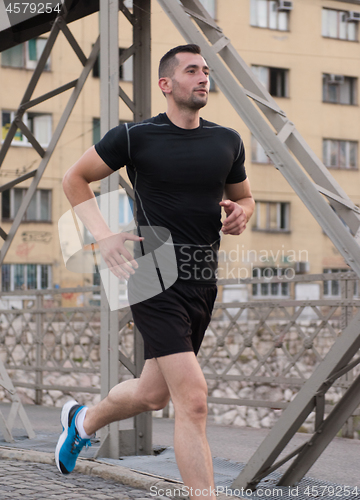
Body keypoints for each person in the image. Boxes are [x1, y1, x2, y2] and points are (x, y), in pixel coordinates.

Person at [55, 44, 254, 499]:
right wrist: (104, 235)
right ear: (166, 84)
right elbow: (74, 178)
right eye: (192, 71)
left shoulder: (228, 140)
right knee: (194, 400)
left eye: (206, 70)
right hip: (152, 269)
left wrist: (244, 213)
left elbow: (244, 198)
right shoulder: (135, 136)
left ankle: (81, 422)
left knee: (153, 395)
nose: (203, 77)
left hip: (203, 274)